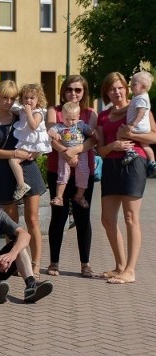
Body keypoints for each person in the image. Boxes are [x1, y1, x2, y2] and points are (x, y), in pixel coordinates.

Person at [0, 80, 45, 279]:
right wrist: (14, 153)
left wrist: (35, 153)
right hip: (4, 172)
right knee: (12, 223)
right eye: (4, 97)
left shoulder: (20, 115)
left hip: (27, 168)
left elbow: (36, 135)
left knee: (32, 219)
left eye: (11, 98)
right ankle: (17, 261)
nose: (8, 102)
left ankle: (35, 263)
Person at [96, 72, 156, 284]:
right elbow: (101, 150)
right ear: (107, 92)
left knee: (131, 218)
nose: (117, 91)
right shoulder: (103, 116)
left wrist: (130, 136)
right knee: (107, 219)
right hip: (111, 165)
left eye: (120, 87)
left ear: (127, 88)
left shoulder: (140, 106)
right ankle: (120, 265)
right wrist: (113, 145)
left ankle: (130, 271)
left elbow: (153, 136)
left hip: (134, 163)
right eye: (112, 89)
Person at [45, 75, 98, 278]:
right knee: (58, 216)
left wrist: (74, 150)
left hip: (84, 171)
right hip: (58, 170)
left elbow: (92, 140)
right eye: (69, 89)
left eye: (78, 90)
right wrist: (64, 153)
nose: (73, 93)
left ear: (84, 92)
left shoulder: (89, 113)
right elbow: (50, 136)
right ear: (63, 91)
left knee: (82, 217)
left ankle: (85, 264)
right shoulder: (55, 111)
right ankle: (54, 262)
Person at [47, 102, 95, 208]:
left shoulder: (81, 124)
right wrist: (54, 134)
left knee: (84, 172)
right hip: (64, 153)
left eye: (73, 119)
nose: (70, 122)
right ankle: (59, 197)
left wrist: (93, 132)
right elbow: (50, 131)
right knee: (63, 173)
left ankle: (79, 196)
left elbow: (90, 131)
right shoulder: (59, 126)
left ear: (78, 117)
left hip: (81, 153)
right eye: (67, 119)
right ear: (62, 117)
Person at [9, 83, 52, 200]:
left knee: (13, 161)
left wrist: (28, 112)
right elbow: (14, 111)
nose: (28, 101)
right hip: (27, 143)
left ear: (38, 100)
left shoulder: (37, 113)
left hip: (33, 144)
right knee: (15, 161)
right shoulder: (23, 111)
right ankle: (22, 184)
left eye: (32, 98)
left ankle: (21, 185)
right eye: (25, 98)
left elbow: (33, 126)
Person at [122, 71, 156, 176]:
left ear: (143, 87)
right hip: (143, 128)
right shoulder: (140, 96)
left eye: (134, 84)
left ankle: (130, 151)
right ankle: (152, 161)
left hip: (138, 126)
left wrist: (133, 124)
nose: (131, 86)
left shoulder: (141, 98)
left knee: (121, 133)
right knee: (145, 145)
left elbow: (141, 112)